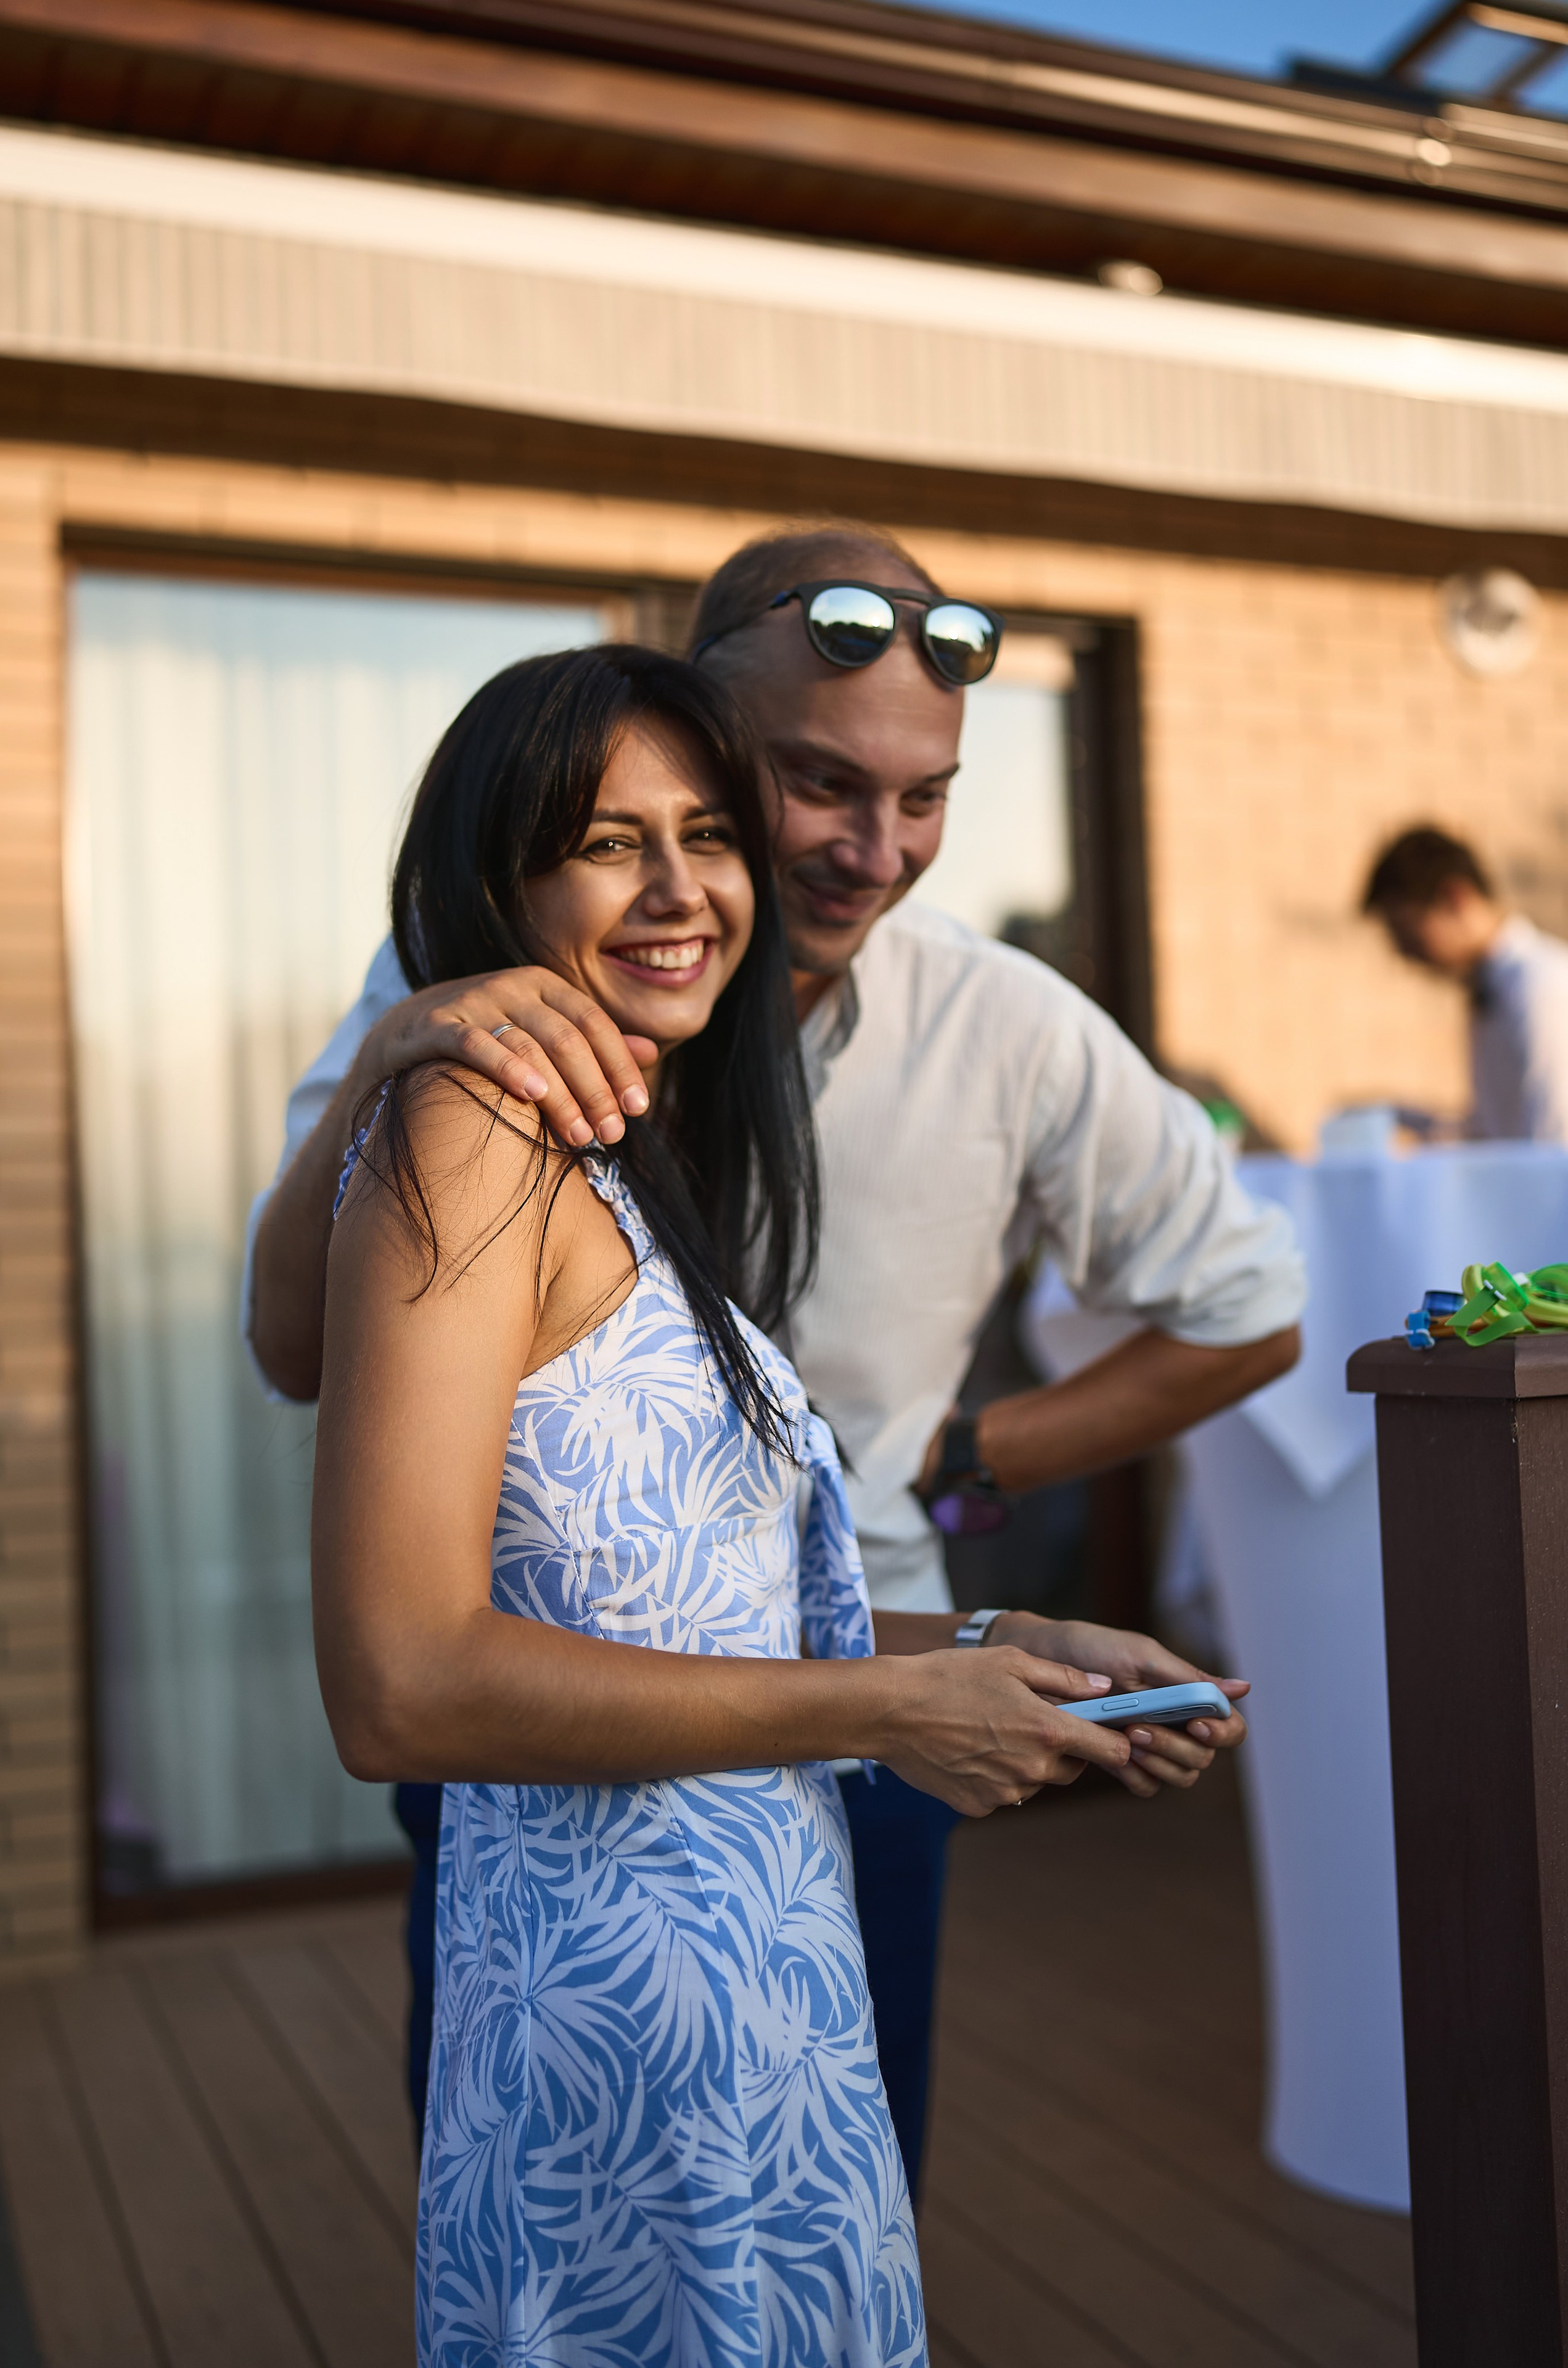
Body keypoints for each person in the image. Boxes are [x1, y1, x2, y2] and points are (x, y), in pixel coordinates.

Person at [248, 522, 1300, 2198]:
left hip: (860, 1661)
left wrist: (974, 1526)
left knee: (838, 2175)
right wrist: (398, 1053)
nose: (874, 851)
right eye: (814, 784)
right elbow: (313, 1398)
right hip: (574, 1725)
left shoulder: (975, 1019)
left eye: (927, 797)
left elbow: (1255, 1306)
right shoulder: (496, 1044)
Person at [313, 639, 1144, 2366]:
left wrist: (1000, 1647)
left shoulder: (625, 1150)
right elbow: (396, 1685)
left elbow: (703, 1623)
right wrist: (893, 1710)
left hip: (759, 1994)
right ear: (500, 877)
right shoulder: (471, 1128)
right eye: (613, 841)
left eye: (710, 834)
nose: (685, 890)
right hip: (621, 2048)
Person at [1363, 824, 1568, 1146]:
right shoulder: (1490, 992)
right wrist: (1402, 1119)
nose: (1404, 953)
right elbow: (1496, 1134)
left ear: (1454, 898)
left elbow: (1554, 1150)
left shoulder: (1543, 989)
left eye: (1406, 931)